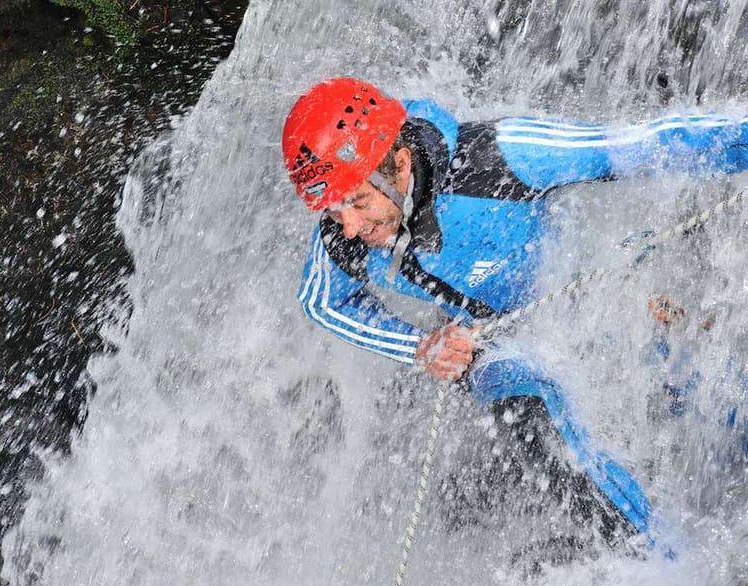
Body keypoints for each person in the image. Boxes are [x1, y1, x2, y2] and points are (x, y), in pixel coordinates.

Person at [283, 77, 748, 560]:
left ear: (399, 163)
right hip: (494, 344)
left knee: (706, 390)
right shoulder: (342, 235)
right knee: (529, 404)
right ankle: (667, 567)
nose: (350, 227)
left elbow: (637, 144)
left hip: (593, 303)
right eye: (333, 212)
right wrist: (420, 346)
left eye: (357, 203)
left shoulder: (498, 157)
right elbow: (322, 302)